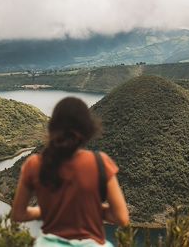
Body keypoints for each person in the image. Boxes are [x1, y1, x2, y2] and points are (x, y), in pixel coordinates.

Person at [12, 97, 129, 246]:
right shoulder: (100, 162)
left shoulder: (34, 164)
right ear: (88, 130)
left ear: (52, 128)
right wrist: (88, 208)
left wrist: (49, 210)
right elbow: (122, 217)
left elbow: (19, 214)